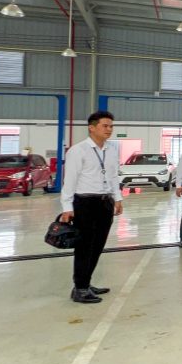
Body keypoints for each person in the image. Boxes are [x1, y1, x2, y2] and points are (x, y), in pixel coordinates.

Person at [59, 110, 123, 304]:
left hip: (105, 202)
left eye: (111, 126)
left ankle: (85, 283)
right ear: (92, 127)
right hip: (85, 203)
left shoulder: (111, 150)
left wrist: (117, 198)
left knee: (97, 246)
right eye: (105, 126)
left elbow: (113, 176)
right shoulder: (78, 151)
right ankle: (80, 288)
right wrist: (67, 207)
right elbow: (70, 180)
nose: (109, 129)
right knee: (85, 247)